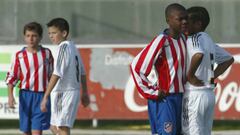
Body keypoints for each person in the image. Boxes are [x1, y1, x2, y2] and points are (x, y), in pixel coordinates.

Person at [130, 3, 188, 135]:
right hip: (165, 100)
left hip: (181, 98)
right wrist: (151, 91)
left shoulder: (184, 38)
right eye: (180, 19)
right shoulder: (161, 41)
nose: (184, 22)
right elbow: (136, 66)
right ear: (169, 20)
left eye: (186, 18)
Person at [182, 6, 234, 135]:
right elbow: (228, 59)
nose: (184, 25)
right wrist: (211, 76)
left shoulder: (193, 39)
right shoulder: (208, 40)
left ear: (198, 24)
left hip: (194, 94)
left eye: (187, 22)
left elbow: (198, 54)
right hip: (208, 94)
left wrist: (190, 75)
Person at [40, 18, 90, 135]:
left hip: (64, 92)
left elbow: (57, 73)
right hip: (70, 91)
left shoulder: (63, 47)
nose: (51, 36)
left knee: (62, 127)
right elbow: (82, 72)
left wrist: (45, 96)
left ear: (64, 33)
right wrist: (85, 92)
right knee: (53, 126)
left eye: (54, 33)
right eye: (49, 33)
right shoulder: (73, 47)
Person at [5, 22, 53, 135]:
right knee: (26, 131)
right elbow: (12, 77)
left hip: (42, 96)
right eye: (28, 36)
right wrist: (10, 96)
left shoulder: (47, 53)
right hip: (25, 96)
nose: (31, 39)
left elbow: (52, 76)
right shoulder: (19, 55)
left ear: (40, 37)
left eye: (34, 36)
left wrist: (50, 95)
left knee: (37, 131)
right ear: (24, 37)